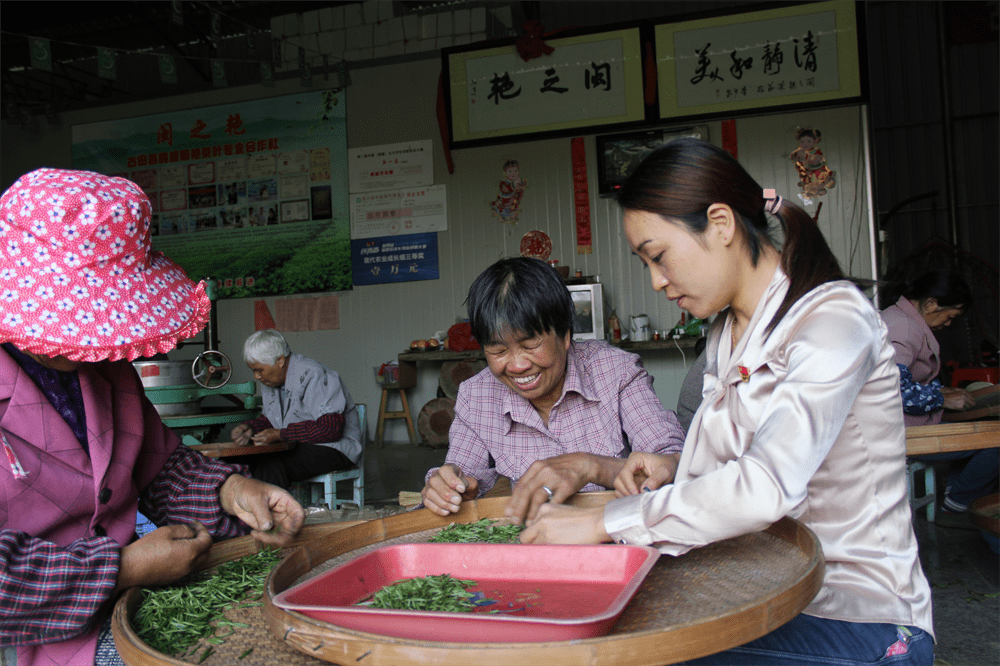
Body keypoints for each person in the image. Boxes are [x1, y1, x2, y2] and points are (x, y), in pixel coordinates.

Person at [519, 139, 934, 666]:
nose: (656, 281)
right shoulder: (726, 332)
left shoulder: (832, 321)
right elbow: (730, 476)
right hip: (761, 590)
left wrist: (607, 522)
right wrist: (668, 467)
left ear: (721, 223)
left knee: (615, 652)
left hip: (856, 619)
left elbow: (764, 486)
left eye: (660, 256)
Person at [0, 168, 305, 666]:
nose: (92, 342)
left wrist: (232, 491)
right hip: (29, 638)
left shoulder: (107, 371)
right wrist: (122, 568)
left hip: (130, 605)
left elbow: (159, 466)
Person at [421, 257, 686, 523]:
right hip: (533, 544)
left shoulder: (616, 372)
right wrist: (448, 486)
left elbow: (671, 462)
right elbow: (462, 471)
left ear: (565, 334)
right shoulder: (476, 396)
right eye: (499, 351)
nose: (517, 365)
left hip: (615, 532)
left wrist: (590, 466)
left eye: (530, 345)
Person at [881, 269, 997, 525]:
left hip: (904, 422)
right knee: (995, 442)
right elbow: (890, 388)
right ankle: (957, 508)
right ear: (932, 303)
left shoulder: (900, 317)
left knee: (977, 430)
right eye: (950, 316)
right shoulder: (902, 327)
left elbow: (903, 378)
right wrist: (941, 398)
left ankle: (955, 499)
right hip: (894, 431)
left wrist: (941, 391)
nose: (948, 323)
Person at [229, 329, 362, 491]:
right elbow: (274, 419)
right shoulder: (271, 380)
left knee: (272, 463)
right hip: (299, 445)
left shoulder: (313, 374)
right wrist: (251, 429)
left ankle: (273, 514)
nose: (256, 376)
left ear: (279, 360)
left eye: (259, 370)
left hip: (335, 448)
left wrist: (280, 434)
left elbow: (330, 430)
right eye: (253, 371)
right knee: (240, 461)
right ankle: (246, 513)